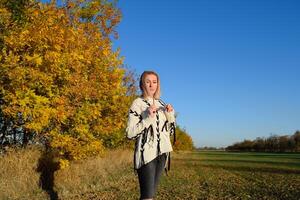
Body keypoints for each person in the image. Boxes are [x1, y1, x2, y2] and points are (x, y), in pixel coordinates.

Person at [126, 71, 176, 200]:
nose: (151, 85)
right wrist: (148, 118)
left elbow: (169, 133)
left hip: (163, 154)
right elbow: (130, 133)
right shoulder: (137, 103)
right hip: (146, 155)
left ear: (158, 84)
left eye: (154, 82)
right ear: (142, 84)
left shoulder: (162, 104)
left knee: (151, 196)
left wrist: (170, 116)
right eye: (147, 81)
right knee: (147, 197)